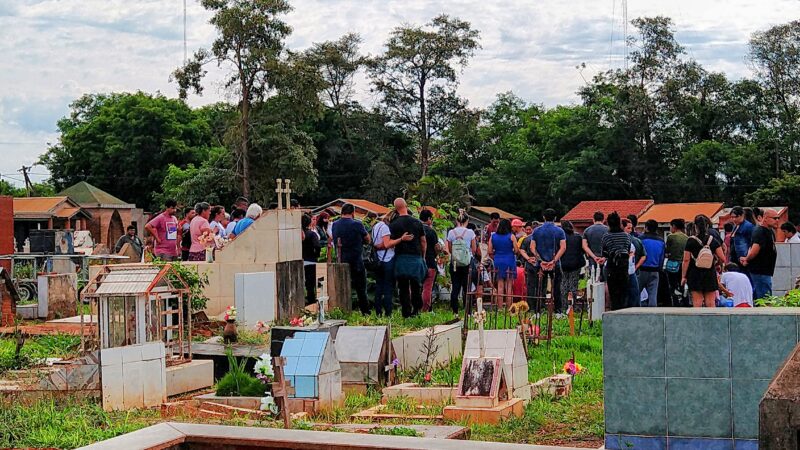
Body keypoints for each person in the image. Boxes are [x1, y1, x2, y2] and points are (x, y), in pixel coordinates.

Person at [389, 198, 427, 318]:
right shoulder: (417, 222)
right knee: (416, 286)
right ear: (406, 205)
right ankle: (416, 310)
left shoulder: (393, 224)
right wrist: (423, 256)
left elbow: (391, 241)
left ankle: (406, 312)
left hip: (401, 258)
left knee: (403, 287)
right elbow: (423, 241)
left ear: (395, 208)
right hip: (415, 258)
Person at [331, 203, 371, 314]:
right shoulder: (357, 224)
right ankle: (365, 312)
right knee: (361, 289)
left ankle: (342, 310)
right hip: (356, 261)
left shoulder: (335, 225)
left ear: (341, 212)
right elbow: (368, 239)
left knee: (342, 288)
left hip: (341, 260)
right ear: (353, 213)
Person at [682, 215, 726, 308]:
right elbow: (723, 258)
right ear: (707, 226)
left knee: (697, 302)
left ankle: (697, 322)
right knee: (710, 302)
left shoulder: (690, 241)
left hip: (694, 273)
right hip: (710, 273)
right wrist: (714, 263)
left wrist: (683, 276)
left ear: (695, 227)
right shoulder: (713, 240)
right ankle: (711, 322)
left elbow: (686, 260)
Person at [529, 209, 566, 314]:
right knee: (557, 287)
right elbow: (563, 247)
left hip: (541, 263)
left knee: (540, 286)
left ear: (543, 217)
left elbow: (532, 247)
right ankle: (558, 311)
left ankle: (538, 311)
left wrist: (540, 260)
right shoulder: (560, 231)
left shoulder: (536, 231)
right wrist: (553, 260)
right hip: (555, 263)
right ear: (555, 218)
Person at [740, 208, 779, 300]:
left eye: (778, 218)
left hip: (765, 271)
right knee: (764, 299)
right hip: (760, 271)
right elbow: (754, 250)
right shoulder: (760, 231)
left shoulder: (769, 231)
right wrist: (747, 259)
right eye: (774, 218)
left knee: (764, 296)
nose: (777, 220)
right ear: (765, 218)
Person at [447, 213, 477, 315]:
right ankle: (468, 311)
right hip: (467, 263)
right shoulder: (470, 232)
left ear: (457, 220)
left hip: (455, 262)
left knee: (455, 287)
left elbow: (450, 249)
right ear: (467, 221)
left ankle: (454, 311)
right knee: (466, 287)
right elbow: (474, 249)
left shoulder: (451, 232)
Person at [601, 212, 632, 311]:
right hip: (624, 267)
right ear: (619, 222)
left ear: (608, 223)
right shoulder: (626, 236)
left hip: (612, 267)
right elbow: (628, 249)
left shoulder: (606, 236)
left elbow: (604, 253)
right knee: (624, 292)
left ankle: (615, 311)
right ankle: (623, 312)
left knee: (613, 293)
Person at [489, 218, 519, 309]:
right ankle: (509, 308)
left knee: (500, 285)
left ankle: (500, 308)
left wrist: (495, 256)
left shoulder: (493, 236)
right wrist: (511, 252)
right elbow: (516, 250)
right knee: (509, 286)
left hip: (498, 259)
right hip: (509, 259)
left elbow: (489, 251)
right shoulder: (511, 236)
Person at [372, 211, 397, 316]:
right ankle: (388, 311)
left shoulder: (375, 226)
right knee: (388, 287)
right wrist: (399, 240)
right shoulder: (385, 228)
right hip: (387, 259)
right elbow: (386, 244)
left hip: (378, 259)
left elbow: (376, 243)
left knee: (379, 286)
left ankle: (378, 311)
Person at [639, 219, 666, 307]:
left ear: (646, 228)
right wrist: (660, 269)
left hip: (641, 269)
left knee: (637, 293)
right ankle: (653, 314)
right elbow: (662, 258)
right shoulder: (661, 241)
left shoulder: (640, 239)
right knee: (653, 294)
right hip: (655, 270)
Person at [559, 220, 584, 311]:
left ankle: (564, 305)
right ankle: (574, 305)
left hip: (563, 264)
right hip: (576, 263)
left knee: (564, 284)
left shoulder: (561, 237)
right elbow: (582, 250)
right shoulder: (578, 237)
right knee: (574, 284)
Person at [420, 209, 441, 312]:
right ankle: (426, 309)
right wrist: (438, 251)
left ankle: (414, 307)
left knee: (415, 286)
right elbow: (437, 247)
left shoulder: (415, 229)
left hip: (417, 261)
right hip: (430, 262)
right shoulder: (431, 231)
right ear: (428, 219)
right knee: (427, 287)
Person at [665, 218, 688, 306]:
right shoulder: (687, 237)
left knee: (673, 286)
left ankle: (676, 303)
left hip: (673, 265)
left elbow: (667, 251)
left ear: (674, 226)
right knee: (683, 285)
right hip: (684, 265)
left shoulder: (671, 236)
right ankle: (685, 302)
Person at [624, 218, 646, 307]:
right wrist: (636, 267)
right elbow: (643, 256)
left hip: (630, 270)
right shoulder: (636, 240)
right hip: (633, 271)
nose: (630, 230)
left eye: (631, 228)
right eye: (628, 228)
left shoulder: (636, 240)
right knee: (634, 295)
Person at [729, 206, 755, 277]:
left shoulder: (748, 226)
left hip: (744, 259)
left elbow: (752, 243)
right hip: (735, 258)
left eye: (736, 217)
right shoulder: (735, 226)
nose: (734, 219)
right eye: (732, 217)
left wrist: (746, 258)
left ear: (742, 215)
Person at [301, 214, 321, 305]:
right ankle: (311, 301)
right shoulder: (312, 234)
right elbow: (317, 246)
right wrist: (316, 255)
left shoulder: (297, 234)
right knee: (310, 284)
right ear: (309, 223)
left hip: (299, 261)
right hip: (310, 260)